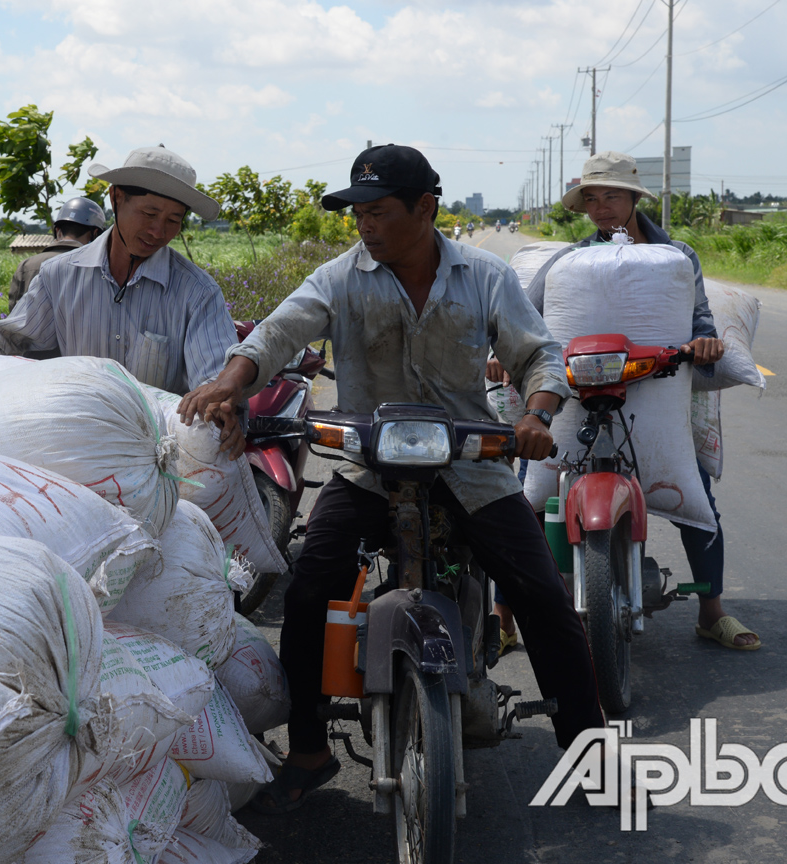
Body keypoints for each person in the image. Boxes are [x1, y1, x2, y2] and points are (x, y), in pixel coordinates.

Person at [179, 144, 607, 814]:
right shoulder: (340, 277)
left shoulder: (486, 277)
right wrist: (231, 383)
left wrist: (537, 411)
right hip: (368, 466)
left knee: (543, 596)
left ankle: (588, 751)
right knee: (309, 589)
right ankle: (310, 746)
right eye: (358, 214)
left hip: (469, 464)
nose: (365, 227)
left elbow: (538, 354)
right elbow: (277, 333)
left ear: (425, 208)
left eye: (378, 212)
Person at [488, 150, 760, 651]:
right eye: (590, 198)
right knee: (523, 498)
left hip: (654, 388)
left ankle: (711, 611)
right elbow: (527, 321)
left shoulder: (677, 257)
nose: (599, 207)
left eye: (610, 195)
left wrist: (706, 343)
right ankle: (503, 620)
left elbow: (697, 318)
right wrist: (505, 355)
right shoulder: (568, 262)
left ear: (634, 197)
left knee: (695, 492)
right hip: (579, 390)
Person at [0, 146, 235, 395]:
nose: (158, 231)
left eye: (173, 220)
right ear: (116, 198)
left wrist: (217, 406)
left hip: (154, 439)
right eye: (148, 213)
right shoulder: (58, 276)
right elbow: (2, 342)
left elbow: (216, 382)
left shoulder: (198, 294)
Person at [8, 197, 106, 311]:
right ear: (94, 234)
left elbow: (13, 314)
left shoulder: (26, 266)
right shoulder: (98, 267)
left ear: (58, 231)